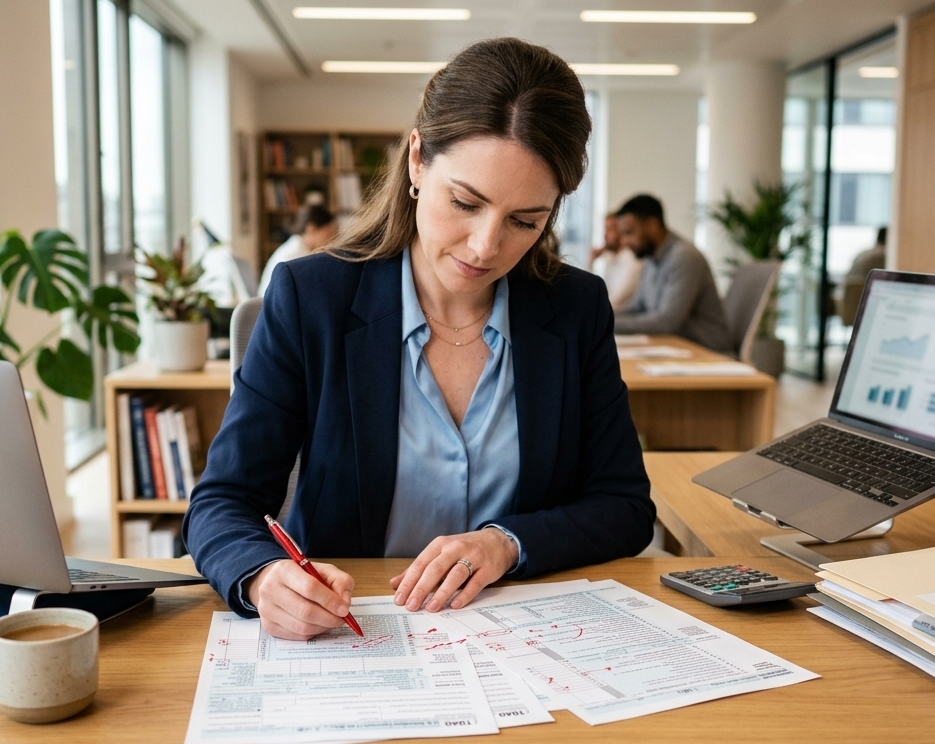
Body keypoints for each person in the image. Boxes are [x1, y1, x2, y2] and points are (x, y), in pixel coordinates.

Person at [185, 38, 654, 641]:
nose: (486, 246)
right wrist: (261, 576)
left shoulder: (576, 308)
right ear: (416, 161)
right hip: (353, 636)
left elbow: (625, 506)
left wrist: (506, 544)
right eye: (465, 202)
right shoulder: (313, 297)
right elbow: (220, 501)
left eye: (524, 221)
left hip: (521, 639)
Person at [613, 195, 733, 352]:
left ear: (653, 225)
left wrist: (604, 323)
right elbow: (637, 306)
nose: (624, 242)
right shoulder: (650, 261)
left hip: (706, 352)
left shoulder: (685, 257)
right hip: (675, 349)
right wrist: (600, 315)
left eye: (629, 233)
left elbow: (667, 322)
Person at [258, 205, 339, 297]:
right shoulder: (294, 255)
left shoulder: (299, 247)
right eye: (329, 232)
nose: (332, 238)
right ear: (311, 229)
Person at [588, 213, 641, 310]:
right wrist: (591, 261)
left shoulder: (631, 261)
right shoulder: (613, 258)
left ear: (621, 230)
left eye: (609, 230)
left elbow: (608, 302)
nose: (605, 235)